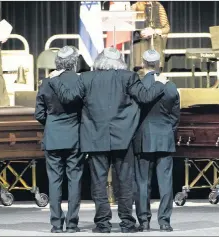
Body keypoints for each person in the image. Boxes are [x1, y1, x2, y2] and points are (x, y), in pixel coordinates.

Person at [48, 47, 168, 233]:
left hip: (95, 137)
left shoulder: (86, 78)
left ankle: (102, 224)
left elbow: (68, 97)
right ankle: (127, 223)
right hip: (124, 137)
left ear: (99, 61)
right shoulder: (128, 77)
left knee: (98, 183)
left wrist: (54, 79)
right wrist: (159, 83)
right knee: (125, 182)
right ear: (120, 61)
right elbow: (145, 96)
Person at [34, 46, 83, 233]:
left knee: (54, 181)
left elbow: (39, 113)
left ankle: (56, 224)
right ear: (74, 62)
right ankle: (72, 224)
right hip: (74, 137)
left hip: (53, 136)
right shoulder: (80, 80)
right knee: (75, 180)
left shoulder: (46, 82)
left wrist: (52, 123)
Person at [133, 50, 180, 232]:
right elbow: (175, 116)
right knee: (165, 182)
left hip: (143, 138)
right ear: (159, 64)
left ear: (143, 64)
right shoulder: (170, 86)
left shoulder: (138, 85)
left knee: (143, 182)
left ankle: (144, 222)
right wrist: (168, 132)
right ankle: (164, 221)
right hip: (165, 137)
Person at [131, 1, 170, 73]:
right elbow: (130, 25)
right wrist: (141, 32)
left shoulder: (158, 6)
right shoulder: (135, 6)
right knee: (141, 74)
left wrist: (154, 31)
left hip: (155, 44)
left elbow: (166, 28)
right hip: (140, 44)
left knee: (155, 74)